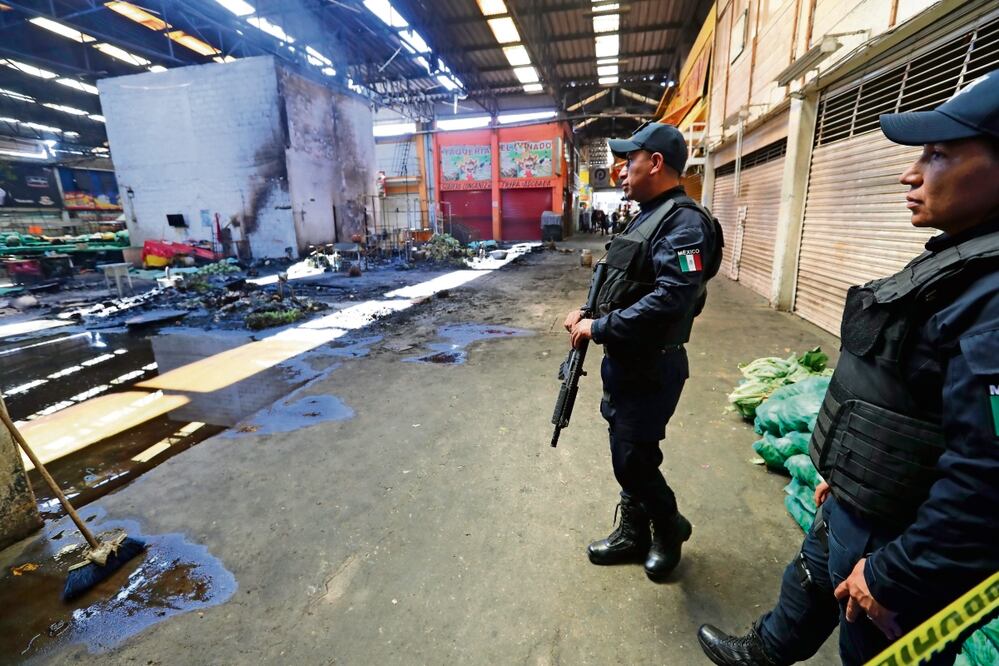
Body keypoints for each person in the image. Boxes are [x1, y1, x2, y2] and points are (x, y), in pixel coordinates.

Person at [697, 71, 999, 665]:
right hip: (866, 506)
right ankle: (762, 655)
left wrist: (892, 576)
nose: (911, 173)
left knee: (866, 644)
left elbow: (984, 486)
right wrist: (849, 468)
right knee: (808, 583)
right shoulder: (962, 266)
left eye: (938, 154)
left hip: (903, 559)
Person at [564, 122, 722, 581]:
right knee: (628, 451)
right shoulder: (647, 214)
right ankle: (635, 531)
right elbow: (623, 281)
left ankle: (669, 528)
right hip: (627, 360)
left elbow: (674, 297)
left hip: (654, 364)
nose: (622, 168)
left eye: (630, 160)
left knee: (633, 457)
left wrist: (601, 327)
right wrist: (585, 312)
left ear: (655, 163)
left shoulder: (685, 222)